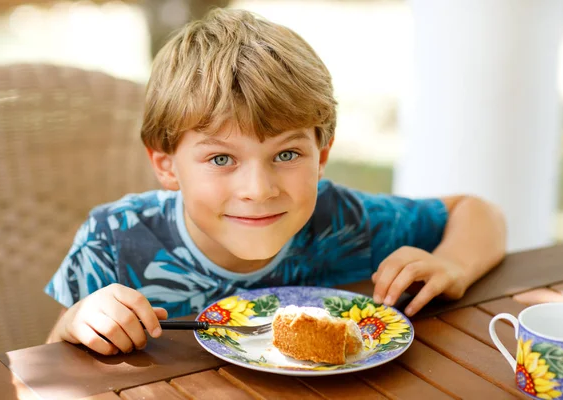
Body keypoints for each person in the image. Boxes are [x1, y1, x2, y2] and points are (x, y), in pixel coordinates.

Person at [44, 8, 506, 356]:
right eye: (222, 158)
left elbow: (477, 212)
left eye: (286, 154)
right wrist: (75, 323)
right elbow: (50, 365)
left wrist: (451, 266)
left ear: (321, 156)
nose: (259, 189)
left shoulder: (344, 220)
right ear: (166, 166)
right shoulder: (114, 239)